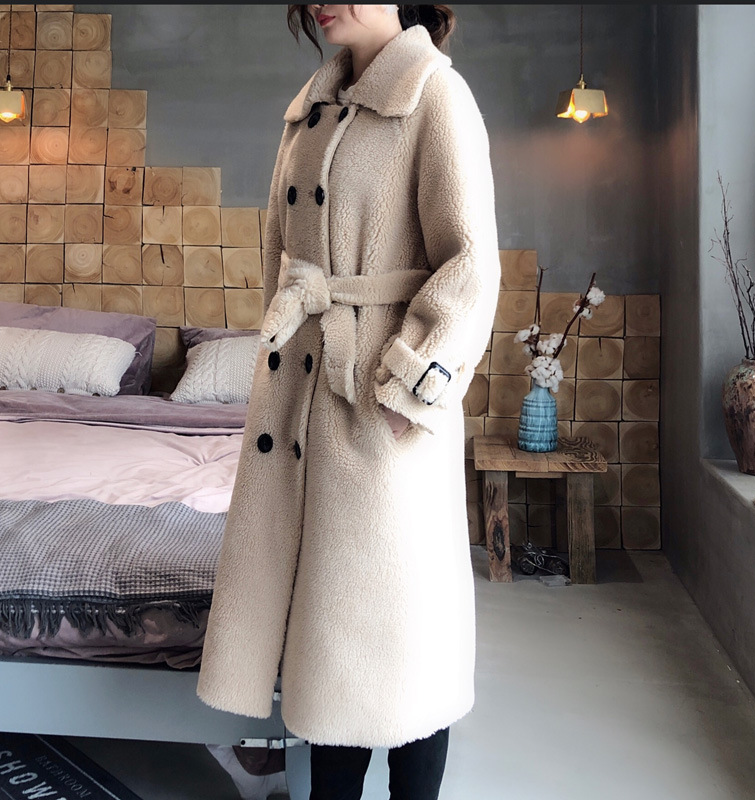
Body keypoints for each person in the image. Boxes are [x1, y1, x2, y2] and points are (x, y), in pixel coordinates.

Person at [197, 4, 500, 798]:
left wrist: (406, 388)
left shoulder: (434, 93)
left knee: (401, 645)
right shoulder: (310, 108)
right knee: (328, 652)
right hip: (301, 399)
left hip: (378, 410)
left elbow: (471, 264)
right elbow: (284, 257)